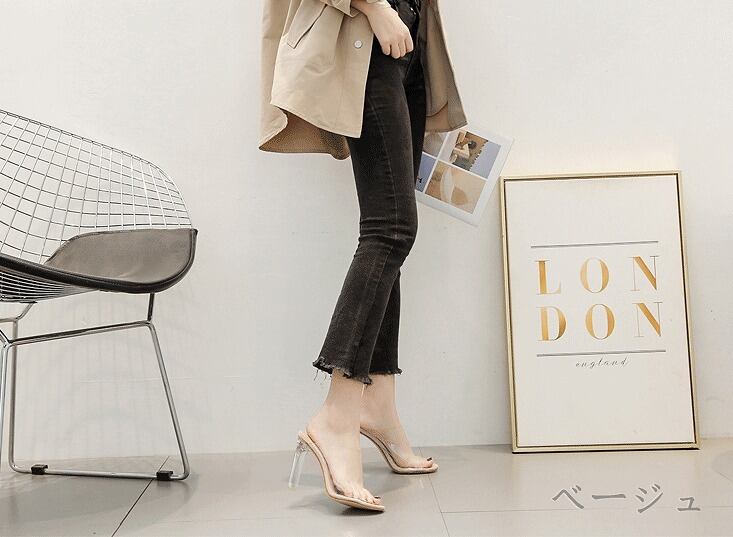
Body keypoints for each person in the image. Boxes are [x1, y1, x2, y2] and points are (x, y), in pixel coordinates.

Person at [260, 0, 468, 512]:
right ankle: (337, 415)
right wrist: (374, 7)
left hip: (408, 44)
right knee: (389, 230)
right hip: (367, 37)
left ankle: (379, 404)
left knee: (391, 230)